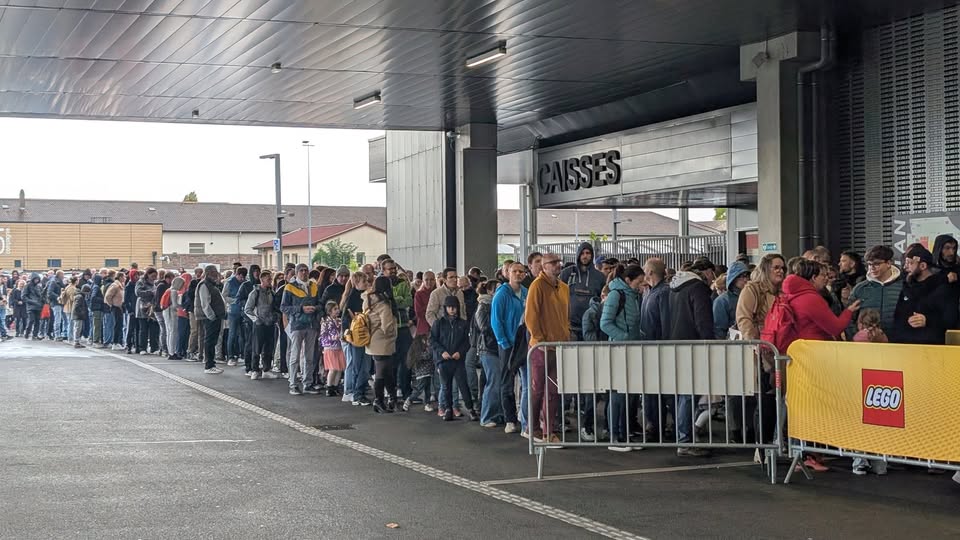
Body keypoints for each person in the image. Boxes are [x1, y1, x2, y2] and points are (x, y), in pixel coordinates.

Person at [668, 264, 714, 457]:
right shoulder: (698, 289)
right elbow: (703, 320)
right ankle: (685, 441)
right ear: (705, 273)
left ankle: (684, 437)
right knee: (689, 395)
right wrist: (710, 344)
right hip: (695, 346)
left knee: (684, 395)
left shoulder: (674, 289)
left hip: (676, 344)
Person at [524, 253, 569, 444]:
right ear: (544, 266)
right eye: (553, 262)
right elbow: (531, 317)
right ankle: (532, 427)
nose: (558, 265)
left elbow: (565, 316)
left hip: (558, 346)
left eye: (559, 262)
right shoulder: (537, 286)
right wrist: (539, 340)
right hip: (541, 348)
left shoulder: (564, 287)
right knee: (537, 389)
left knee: (553, 391)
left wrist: (566, 336)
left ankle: (548, 431)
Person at [600, 263, 645, 450]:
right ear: (628, 280)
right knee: (618, 396)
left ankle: (624, 435)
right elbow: (605, 323)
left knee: (628, 395)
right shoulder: (616, 295)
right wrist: (625, 337)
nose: (641, 285)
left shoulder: (632, 296)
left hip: (630, 350)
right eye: (639, 282)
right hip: (619, 350)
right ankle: (615, 436)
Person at [893, 244, 953, 344]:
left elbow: (950, 319)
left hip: (931, 345)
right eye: (906, 263)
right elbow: (897, 317)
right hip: (905, 345)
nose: (905, 267)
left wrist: (927, 320)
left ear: (923, 266)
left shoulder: (943, 289)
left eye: (910, 263)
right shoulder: (906, 288)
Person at [431, 295, 479, 421]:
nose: (452, 310)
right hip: (444, 360)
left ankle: (470, 409)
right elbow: (433, 340)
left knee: (463, 385)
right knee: (446, 386)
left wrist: (460, 352)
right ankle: (448, 409)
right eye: (449, 307)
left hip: (458, 360)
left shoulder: (463, 324)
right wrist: (442, 352)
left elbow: (467, 342)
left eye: (454, 307)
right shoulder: (439, 323)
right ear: (445, 308)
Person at [845, 246, 903, 340]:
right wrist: (858, 337)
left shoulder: (904, 287)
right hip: (867, 345)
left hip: (900, 344)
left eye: (876, 264)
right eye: (869, 264)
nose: (872, 268)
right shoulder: (860, 289)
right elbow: (848, 318)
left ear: (889, 263)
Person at [281, 263, 321, 395]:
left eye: (306, 270)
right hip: (297, 325)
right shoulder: (289, 287)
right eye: (301, 271)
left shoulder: (314, 286)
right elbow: (283, 307)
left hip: (311, 325)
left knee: (309, 357)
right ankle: (293, 384)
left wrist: (316, 309)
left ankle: (307, 383)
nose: (304, 273)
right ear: (297, 273)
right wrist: (301, 309)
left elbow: (320, 303)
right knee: (295, 356)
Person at [364, 276, 399, 413]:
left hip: (372, 340)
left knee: (387, 371)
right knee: (382, 372)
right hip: (383, 341)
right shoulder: (384, 305)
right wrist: (393, 333)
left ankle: (391, 398)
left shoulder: (368, 300)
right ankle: (379, 400)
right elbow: (387, 327)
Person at [382, 260, 414, 402]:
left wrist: (395, 300)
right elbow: (384, 304)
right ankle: (392, 392)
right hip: (390, 328)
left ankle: (406, 391)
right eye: (390, 269)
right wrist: (398, 299)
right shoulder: (381, 284)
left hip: (404, 327)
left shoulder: (402, 283)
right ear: (384, 271)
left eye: (394, 268)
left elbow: (409, 301)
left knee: (407, 360)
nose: (393, 271)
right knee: (391, 362)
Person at [559, 242, 605, 341]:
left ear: (592, 255)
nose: (585, 256)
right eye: (582, 253)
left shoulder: (600, 277)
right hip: (571, 327)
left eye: (588, 253)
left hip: (591, 327)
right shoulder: (566, 273)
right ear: (578, 255)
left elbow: (603, 299)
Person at [474, 280, 502, 427]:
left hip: (495, 347)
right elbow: (484, 328)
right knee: (493, 382)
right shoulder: (483, 306)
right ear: (490, 291)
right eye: (497, 288)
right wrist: (500, 330)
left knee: (496, 382)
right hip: (488, 348)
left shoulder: (493, 305)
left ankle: (497, 414)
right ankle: (486, 417)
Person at [342, 272, 371, 406]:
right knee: (359, 365)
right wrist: (347, 335)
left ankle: (358, 392)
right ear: (356, 283)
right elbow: (346, 318)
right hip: (357, 336)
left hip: (362, 335)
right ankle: (357, 393)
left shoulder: (365, 296)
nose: (367, 284)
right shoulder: (354, 298)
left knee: (363, 365)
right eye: (364, 281)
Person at [410, 271, 438, 412]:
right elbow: (420, 313)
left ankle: (435, 393)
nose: (429, 282)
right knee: (425, 365)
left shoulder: (437, 293)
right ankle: (426, 397)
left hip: (436, 330)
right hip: (423, 331)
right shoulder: (419, 294)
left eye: (431, 279)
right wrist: (432, 310)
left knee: (435, 363)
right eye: (426, 280)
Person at [244, 270, 277, 380]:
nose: (270, 281)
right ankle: (255, 369)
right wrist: (256, 319)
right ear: (262, 279)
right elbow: (247, 309)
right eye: (268, 279)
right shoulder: (255, 293)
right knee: (256, 348)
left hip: (270, 323)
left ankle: (266, 369)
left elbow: (274, 307)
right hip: (259, 324)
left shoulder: (272, 293)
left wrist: (275, 317)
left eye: (271, 279)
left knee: (268, 348)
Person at [195, 265, 226, 374]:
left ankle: (211, 363)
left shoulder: (211, 284)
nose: (216, 274)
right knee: (209, 341)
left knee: (212, 341)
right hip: (210, 317)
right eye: (214, 272)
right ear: (208, 273)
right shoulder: (205, 285)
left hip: (215, 316)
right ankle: (209, 365)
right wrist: (211, 316)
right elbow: (205, 303)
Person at [713, 261, 750, 339]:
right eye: (741, 276)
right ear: (734, 278)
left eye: (747, 276)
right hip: (730, 343)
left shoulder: (751, 297)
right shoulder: (722, 301)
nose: (745, 279)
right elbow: (719, 330)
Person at [318, 300, 346, 396]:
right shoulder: (325, 322)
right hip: (329, 347)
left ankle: (335, 386)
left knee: (339, 368)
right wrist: (334, 337)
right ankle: (329, 387)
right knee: (333, 368)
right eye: (335, 309)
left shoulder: (339, 321)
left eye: (338, 309)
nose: (337, 311)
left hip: (339, 347)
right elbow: (322, 336)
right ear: (329, 311)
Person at [932, 234, 960, 327]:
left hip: (955, 320)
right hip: (933, 321)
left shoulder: (958, 268)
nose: (952, 252)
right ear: (939, 249)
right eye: (947, 248)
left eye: (954, 248)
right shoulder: (929, 270)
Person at [224, 266, 247, 365]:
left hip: (243, 311)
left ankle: (242, 355)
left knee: (243, 334)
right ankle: (230, 356)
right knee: (232, 334)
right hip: (233, 311)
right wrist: (235, 301)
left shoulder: (245, 282)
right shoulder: (229, 282)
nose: (242, 279)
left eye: (243, 277)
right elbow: (224, 296)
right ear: (236, 274)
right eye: (240, 277)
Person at [135, 267, 160, 355]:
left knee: (154, 329)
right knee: (143, 329)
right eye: (152, 276)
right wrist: (150, 292)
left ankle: (154, 347)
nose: (154, 278)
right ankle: (142, 348)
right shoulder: (141, 282)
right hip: (143, 307)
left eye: (155, 276)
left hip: (152, 308)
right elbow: (138, 292)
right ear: (148, 275)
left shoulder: (155, 283)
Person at [162, 275, 184, 359]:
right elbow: (175, 305)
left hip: (166, 311)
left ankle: (170, 351)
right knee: (173, 332)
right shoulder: (174, 291)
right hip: (171, 312)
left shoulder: (169, 290)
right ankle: (172, 352)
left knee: (169, 332)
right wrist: (181, 306)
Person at [23, 273, 44, 340]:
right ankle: (27, 333)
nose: (36, 280)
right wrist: (32, 301)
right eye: (35, 279)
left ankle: (35, 335)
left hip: (38, 306)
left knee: (38, 321)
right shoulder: (27, 286)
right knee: (31, 320)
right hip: (31, 306)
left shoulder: (39, 287)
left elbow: (41, 296)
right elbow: (24, 296)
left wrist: (43, 302)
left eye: (38, 279)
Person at [71, 284, 90, 348]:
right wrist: (82, 313)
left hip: (77, 315)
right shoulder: (80, 297)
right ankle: (76, 342)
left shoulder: (79, 296)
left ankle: (77, 341)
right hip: (78, 316)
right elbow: (77, 307)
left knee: (77, 328)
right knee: (78, 328)